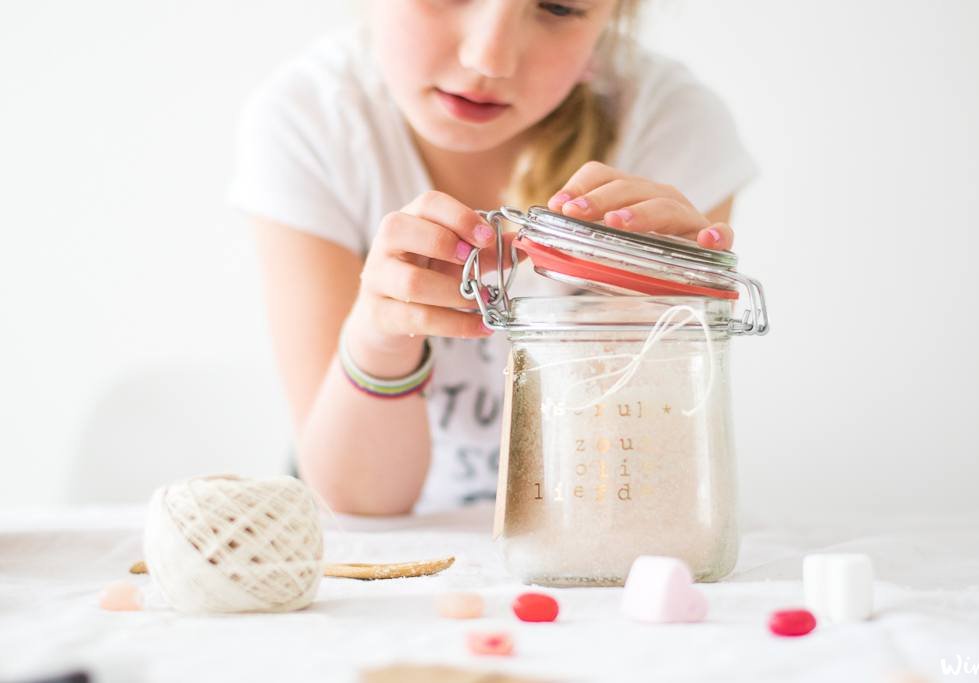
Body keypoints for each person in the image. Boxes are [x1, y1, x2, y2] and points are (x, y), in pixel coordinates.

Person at [227, 0, 756, 516]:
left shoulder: (674, 128)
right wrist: (377, 336)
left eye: (559, 9)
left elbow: (649, 492)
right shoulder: (311, 121)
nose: (490, 59)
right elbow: (363, 501)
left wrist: (664, 327)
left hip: (581, 534)